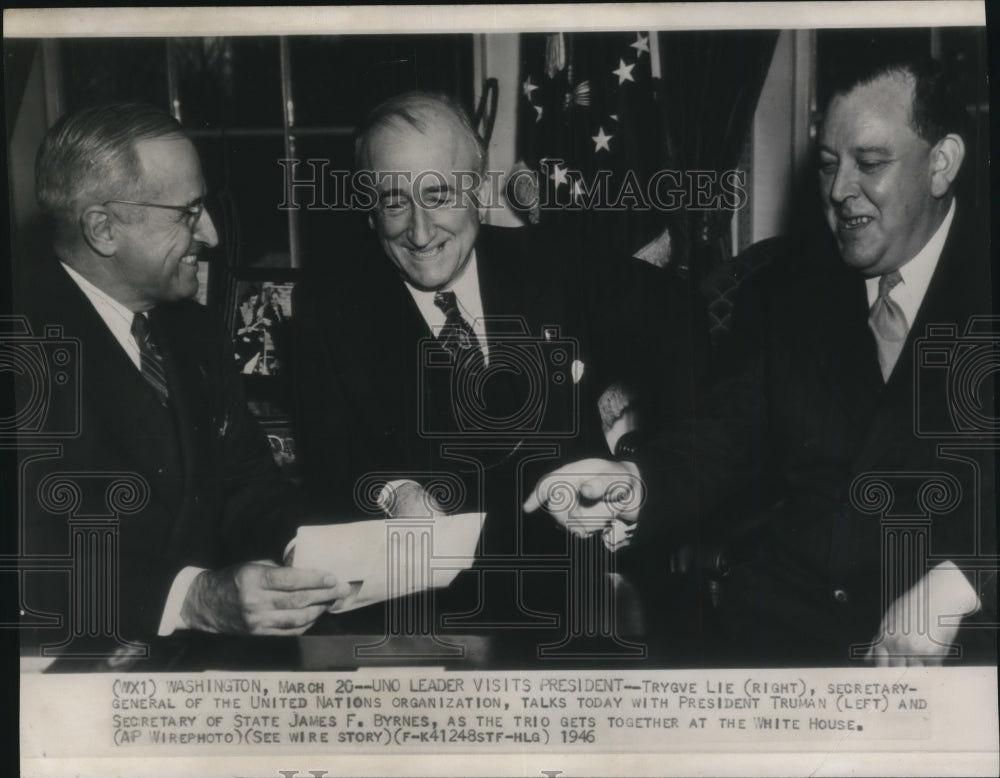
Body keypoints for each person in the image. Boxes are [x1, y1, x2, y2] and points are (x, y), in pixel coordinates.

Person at [525, 51, 995, 665]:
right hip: (783, 632)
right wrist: (636, 483)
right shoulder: (788, 291)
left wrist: (962, 582)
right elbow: (728, 436)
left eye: (870, 163)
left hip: (964, 642)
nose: (838, 190)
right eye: (828, 165)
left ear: (942, 164)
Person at [293, 92, 699, 632]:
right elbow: (325, 470)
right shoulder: (328, 314)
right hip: (425, 618)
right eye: (394, 201)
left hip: (576, 594)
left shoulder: (555, 264)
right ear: (369, 209)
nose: (419, 231)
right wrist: (394, 493)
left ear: (480, 193)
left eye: (438, 194)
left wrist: (643, 469)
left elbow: (685, 320)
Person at [16, 103, 350, 654]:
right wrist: (193, 599)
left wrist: (298, 556)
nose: (212, 235)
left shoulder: (194, 331)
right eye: (188, 213)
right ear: (103, 228)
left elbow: (250, 488)